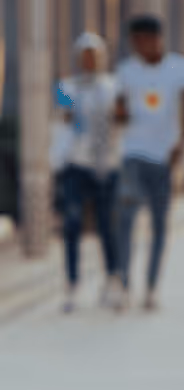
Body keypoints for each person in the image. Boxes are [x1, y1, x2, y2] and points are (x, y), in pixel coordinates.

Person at [114, 16, 184, 312]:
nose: (138, 48)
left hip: (163, 157)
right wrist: (119, 113)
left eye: (142, 41)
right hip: (132, 154)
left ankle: (150, 288)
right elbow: (118, 111)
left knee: (160, 225)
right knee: (125, 217)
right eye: (134, 43)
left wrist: (182, 145)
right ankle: (123, 282)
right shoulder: (125, 71)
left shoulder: (181, 69)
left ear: (156, 39)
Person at [54, 33, 121, 313]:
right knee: (71, 224)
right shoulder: (66, 87)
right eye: (84, 55)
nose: (89, 61)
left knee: (107, 225)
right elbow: (62, 122)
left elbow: (121, 122)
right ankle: (72, 284)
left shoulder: (113, 87)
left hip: (107, 165)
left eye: (93, 55)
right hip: (75, 164)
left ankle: (113, 280)